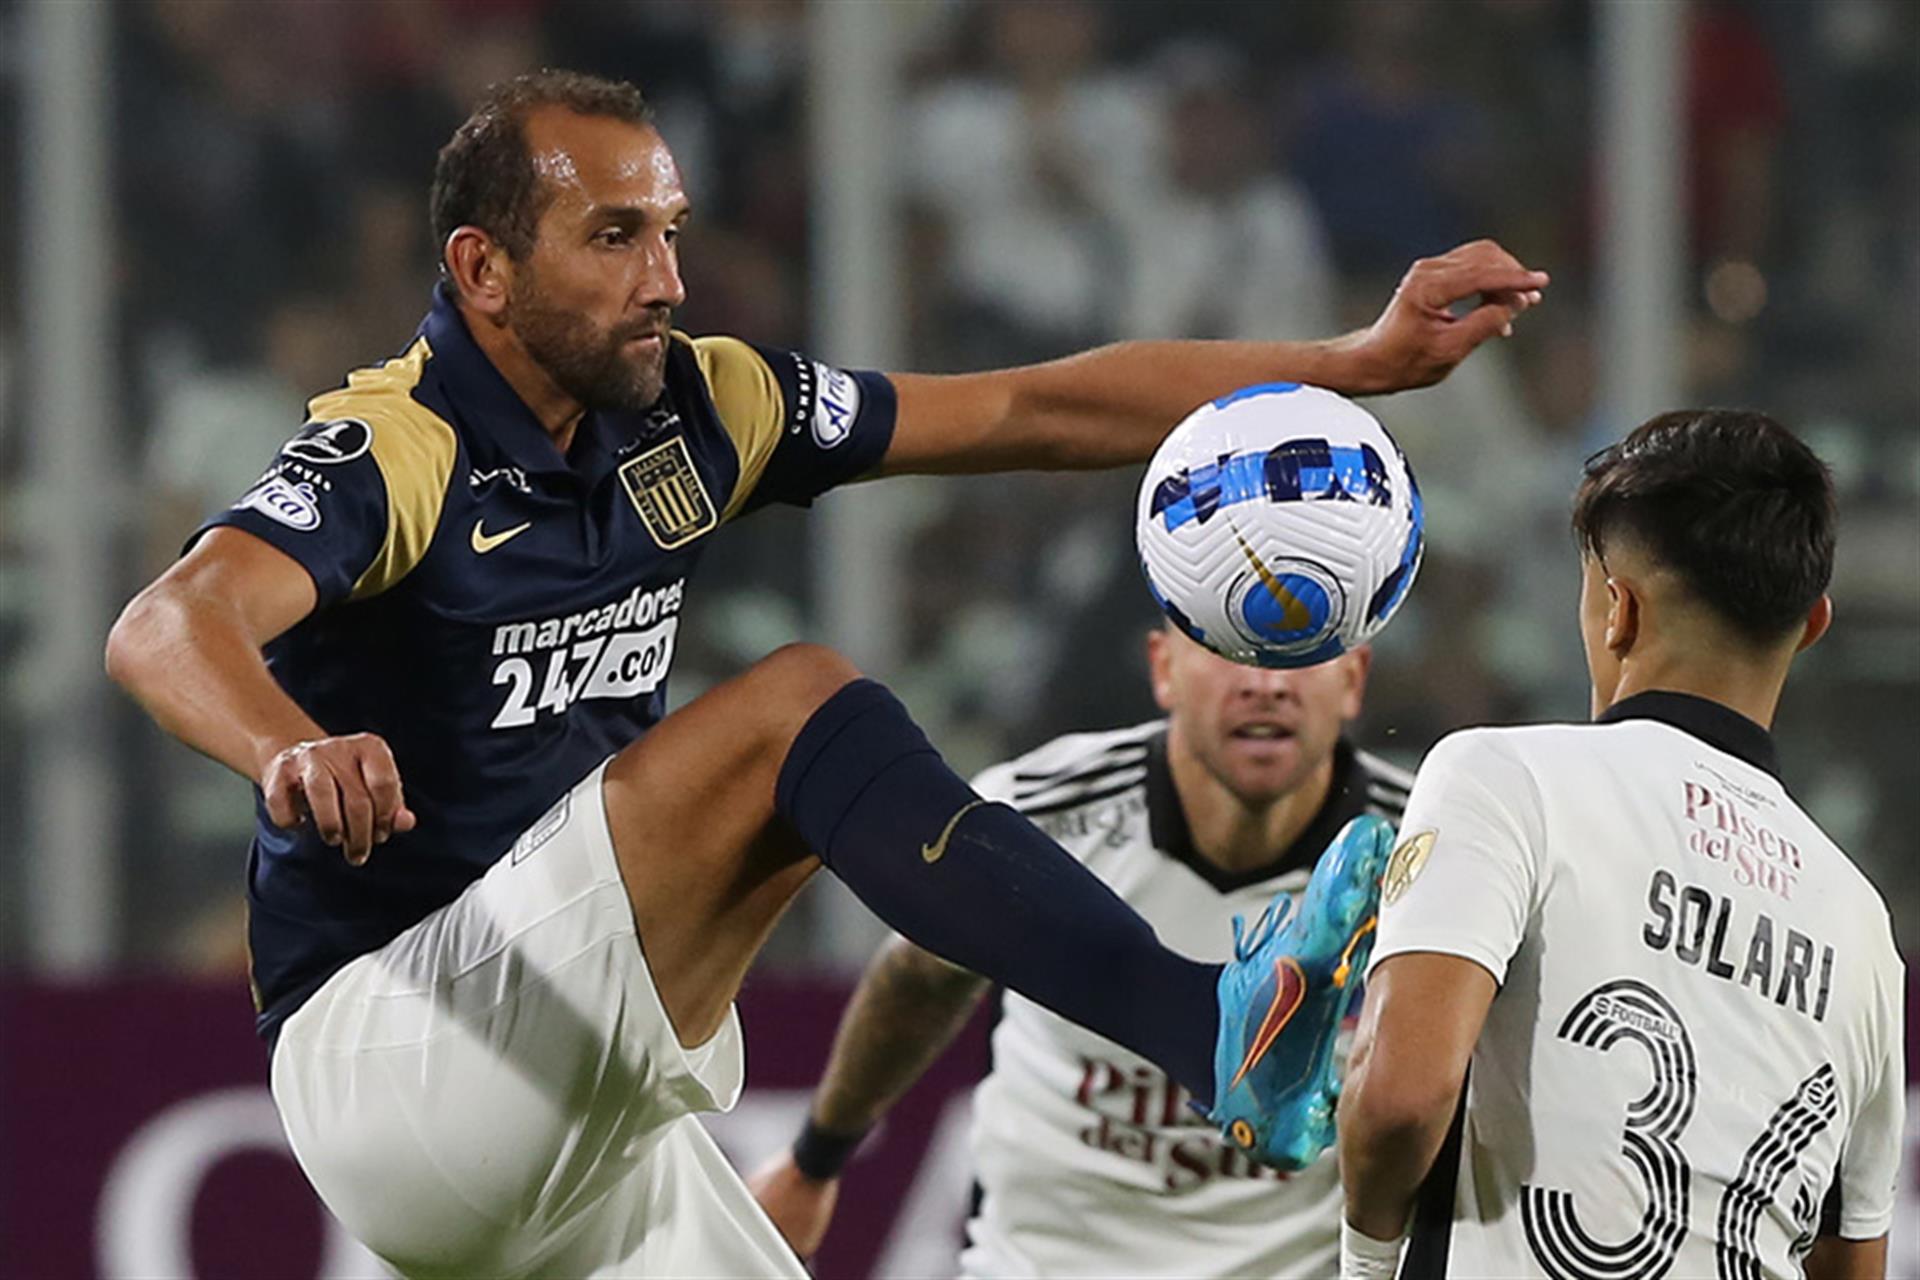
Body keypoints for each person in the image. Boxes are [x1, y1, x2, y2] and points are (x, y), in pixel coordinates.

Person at [105, 70, 1547, 1279]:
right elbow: (169, 622)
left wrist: (1343, 364)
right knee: (795, 707)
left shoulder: (704, 404)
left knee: (784, 767)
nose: (666, 279)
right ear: (483, 269)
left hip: (594, 1105)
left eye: (666, 232)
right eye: (613, 239)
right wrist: (287, 745)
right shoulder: (402, 447)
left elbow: (1033, 408)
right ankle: (1207, 1030)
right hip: (401, 1051)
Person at [1337, 411, 1903, 1280]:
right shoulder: (1864, 927)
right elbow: (1854, 1259)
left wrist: (1366, 1260)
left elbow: (1402, 1100)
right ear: (1814, 622)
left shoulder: (1505, 776)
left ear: (1618, 608)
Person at [753, 625, 1411, 1277]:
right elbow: (920, 982)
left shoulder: (1423, 852)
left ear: (1353, 678)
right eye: (1229, 649)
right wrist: (814, 1162)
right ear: (1163, 669)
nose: (1265, 685)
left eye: (1303, 657)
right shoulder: (1036, 812)